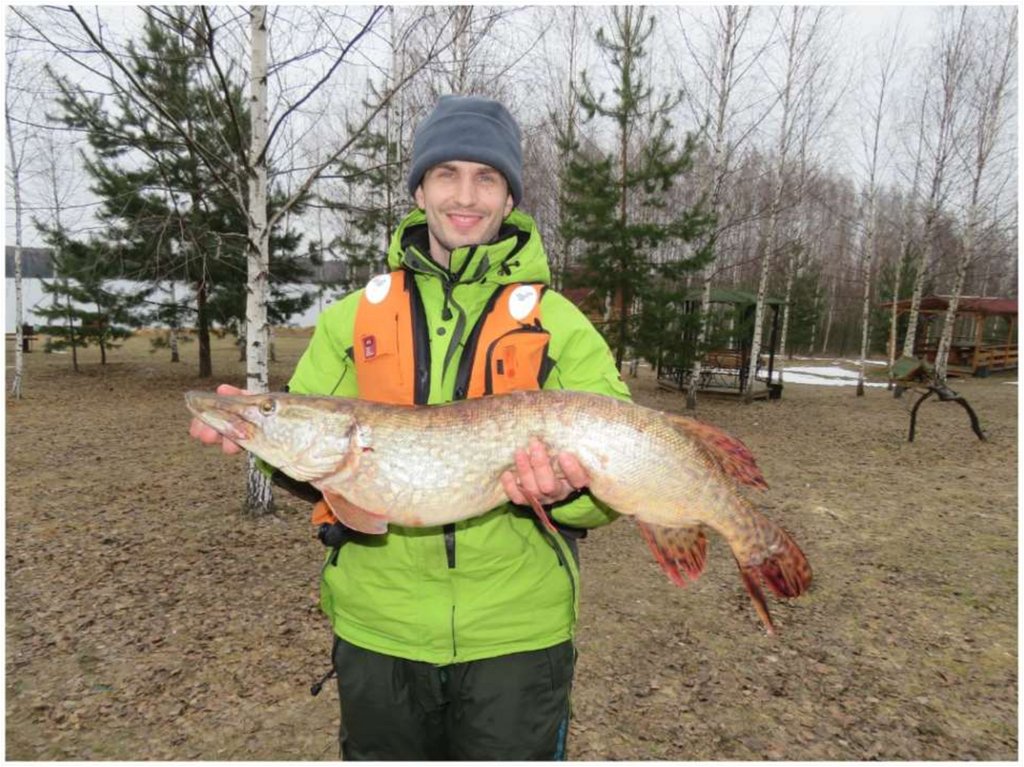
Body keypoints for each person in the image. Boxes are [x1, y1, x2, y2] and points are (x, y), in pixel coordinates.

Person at [189, 95, 631, 760]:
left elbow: (614, 483)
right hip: (379, 630)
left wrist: (568, 492)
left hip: (517, 637)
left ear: (510, 197)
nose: (465, 196)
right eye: (446, 174)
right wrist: (261, 434)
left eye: (486, 178)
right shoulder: (350, 319)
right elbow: (320, 467)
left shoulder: (560, 323)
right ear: (419, 190)